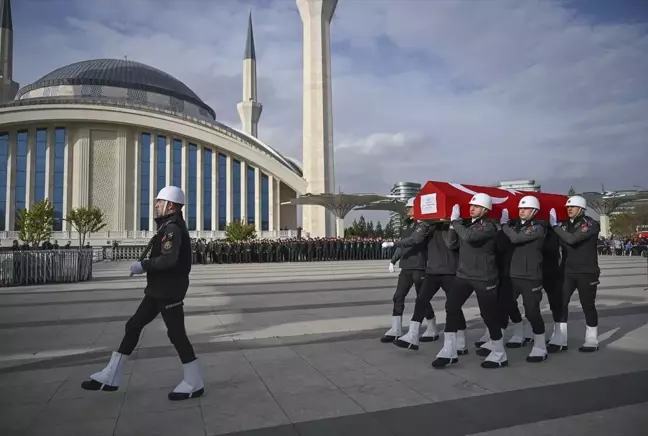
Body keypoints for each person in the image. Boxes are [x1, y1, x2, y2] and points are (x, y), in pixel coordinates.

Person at [81, 186, 204, 401]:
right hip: (158, 291)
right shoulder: (167, 226)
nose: (156, 205)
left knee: (176, 334)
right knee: (134, 325)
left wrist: (143, 265)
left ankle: (194, 382)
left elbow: (169, 259)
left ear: (170, 205)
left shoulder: (172, 229)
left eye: (159, 201)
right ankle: (111, 375)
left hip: (168, 291)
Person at [432, 193, 506, 369]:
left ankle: (499, 353)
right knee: (451, 307)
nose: (472, 208)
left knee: (489, 315)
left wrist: (456, 222)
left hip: (484, 277)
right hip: (463, 275)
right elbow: (452, 244)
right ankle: (449, 350)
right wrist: (452, 225)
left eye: (476, 206)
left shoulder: (488, 227)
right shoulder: (465, 225)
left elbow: (469, 237)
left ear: (485, 210)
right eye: (471, 206)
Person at [394, 220, 468, 354]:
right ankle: (413, 335)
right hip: (432, 270)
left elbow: (451, 244)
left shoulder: (456, 224)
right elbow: (416, 239)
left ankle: (461, 341)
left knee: (453, 306)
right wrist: (425, 224)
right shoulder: (429, 226)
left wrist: (451, 223)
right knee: (421, 300)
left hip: (450, 271)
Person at [498, 196, 549, 363]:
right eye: (520, 208)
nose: (522, 211)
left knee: (532, 311)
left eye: (525, 209)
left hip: (531, 276)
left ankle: (540, 346)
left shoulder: (538, 227)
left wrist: (504, 225)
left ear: (534, 211)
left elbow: (516, 238)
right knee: (505, 306)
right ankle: (504, 340)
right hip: (513, 274)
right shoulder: (514, 225)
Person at [547, 195, 601, 353]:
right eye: (567, 207)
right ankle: (560, 337)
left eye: (572, 207)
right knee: (560, 304)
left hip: (587, 271)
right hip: (567, 271)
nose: (568, 209)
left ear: (581, 209)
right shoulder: (563, 225)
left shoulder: (591, 224)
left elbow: (572, 239)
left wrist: (555, 226)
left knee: (588, 305)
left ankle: (592, 338)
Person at [380, 198, 435, 343]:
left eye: (410, 207)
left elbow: (415, 240)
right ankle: (396, 328)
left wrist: (393, 242)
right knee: (398, 296)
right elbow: (402, 246)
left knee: (421, 299)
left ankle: (432, 327)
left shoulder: (425, 225)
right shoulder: (408, 227)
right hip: (406, 266)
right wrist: (393, 260)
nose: (408, 210)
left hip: (419, 266)